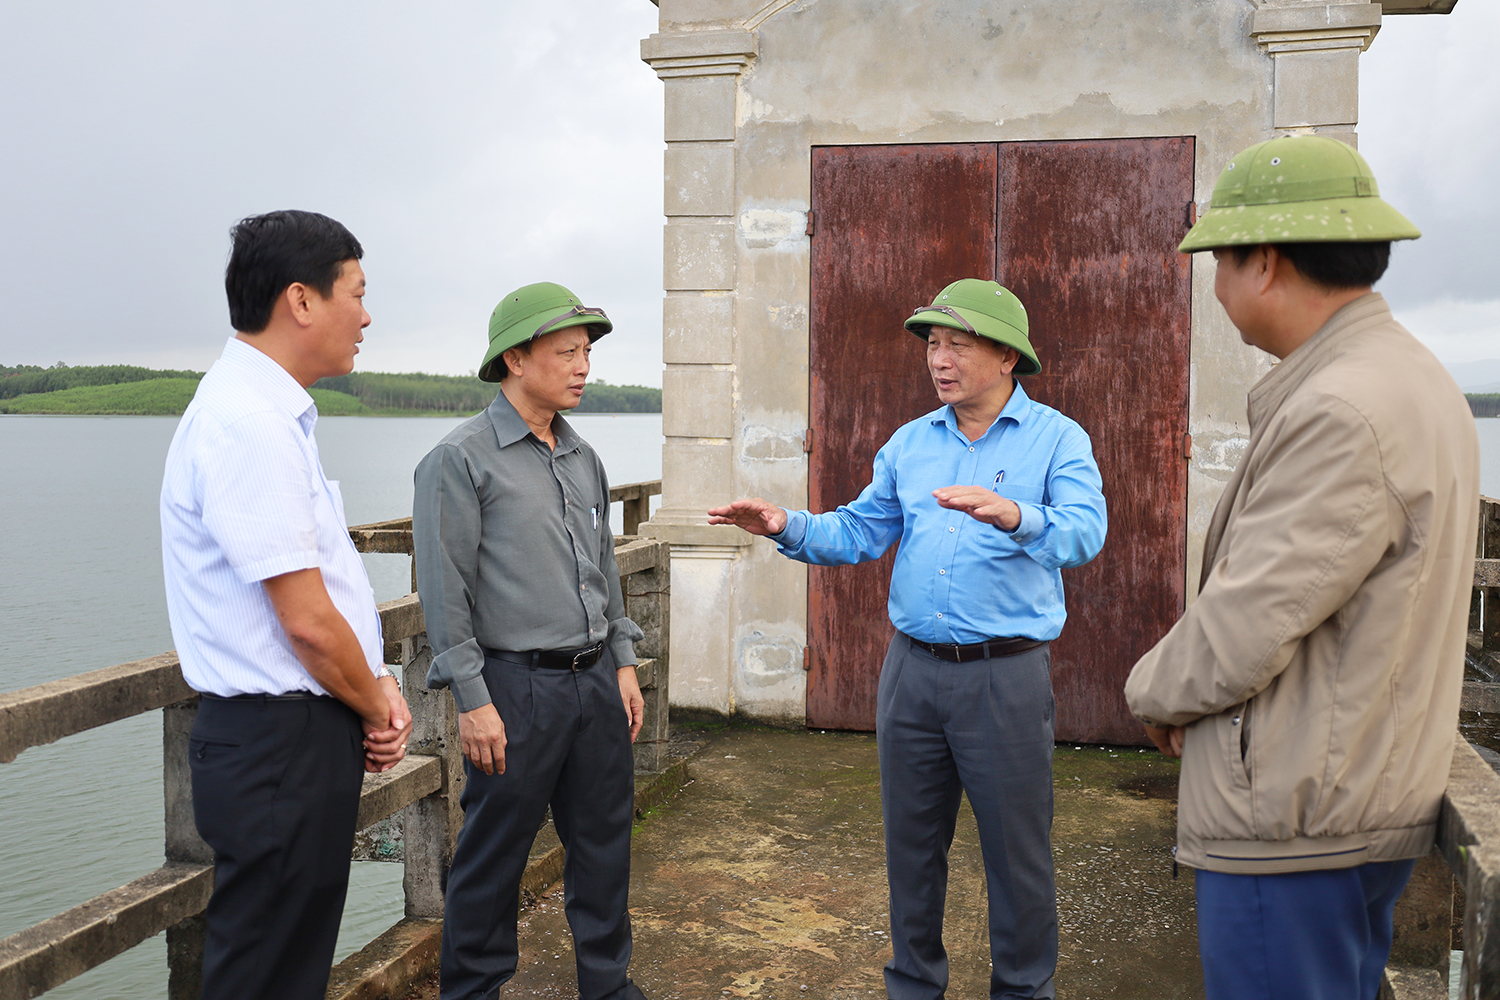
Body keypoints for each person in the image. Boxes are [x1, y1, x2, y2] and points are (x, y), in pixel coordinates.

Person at [1124, 135, 1479, 1000]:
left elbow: (1251, 618)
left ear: (1267, 264)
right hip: (1349, 791)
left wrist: (1153, 691)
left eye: (1220, 261)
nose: (1214, 288)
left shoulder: (1341, 407)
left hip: (1295, 814)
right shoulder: (1404, 378)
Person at [709, 278, 1107, 1000]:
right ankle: (913, 987)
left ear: (1007, 357)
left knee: (1018, 859)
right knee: (911, 853)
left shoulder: (1057, 438)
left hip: (1004, 678)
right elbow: (862, 529)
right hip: (912, 676)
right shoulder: (911, 443)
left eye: (958, 343)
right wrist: (787, 526)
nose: (940, 359)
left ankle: (1023, 992)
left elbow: (1085, 533)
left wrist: (1017, 513)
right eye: (933, 344)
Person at [160, 209, 412, 1000]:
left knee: (285, 967)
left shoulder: (268, 413)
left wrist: (366, 695)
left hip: (290, 739)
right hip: (278, 745)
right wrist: (378, 701)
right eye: (357, 293)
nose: (366, 317)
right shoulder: (248, 422)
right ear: (301, 300)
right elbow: (304, 621)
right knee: (268, 974)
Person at [414, 281, 648, 1000]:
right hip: (516, 690)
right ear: (516, 358)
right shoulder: (460, 459)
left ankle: (607, 988)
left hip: (594, 683)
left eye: (586, 353)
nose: (583, 367)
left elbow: (605, 569)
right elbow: (445, 593)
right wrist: (474, 701)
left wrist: (625, 662)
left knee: (605, 850)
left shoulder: (583, 457)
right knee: (493, 859)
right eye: (566, 352)